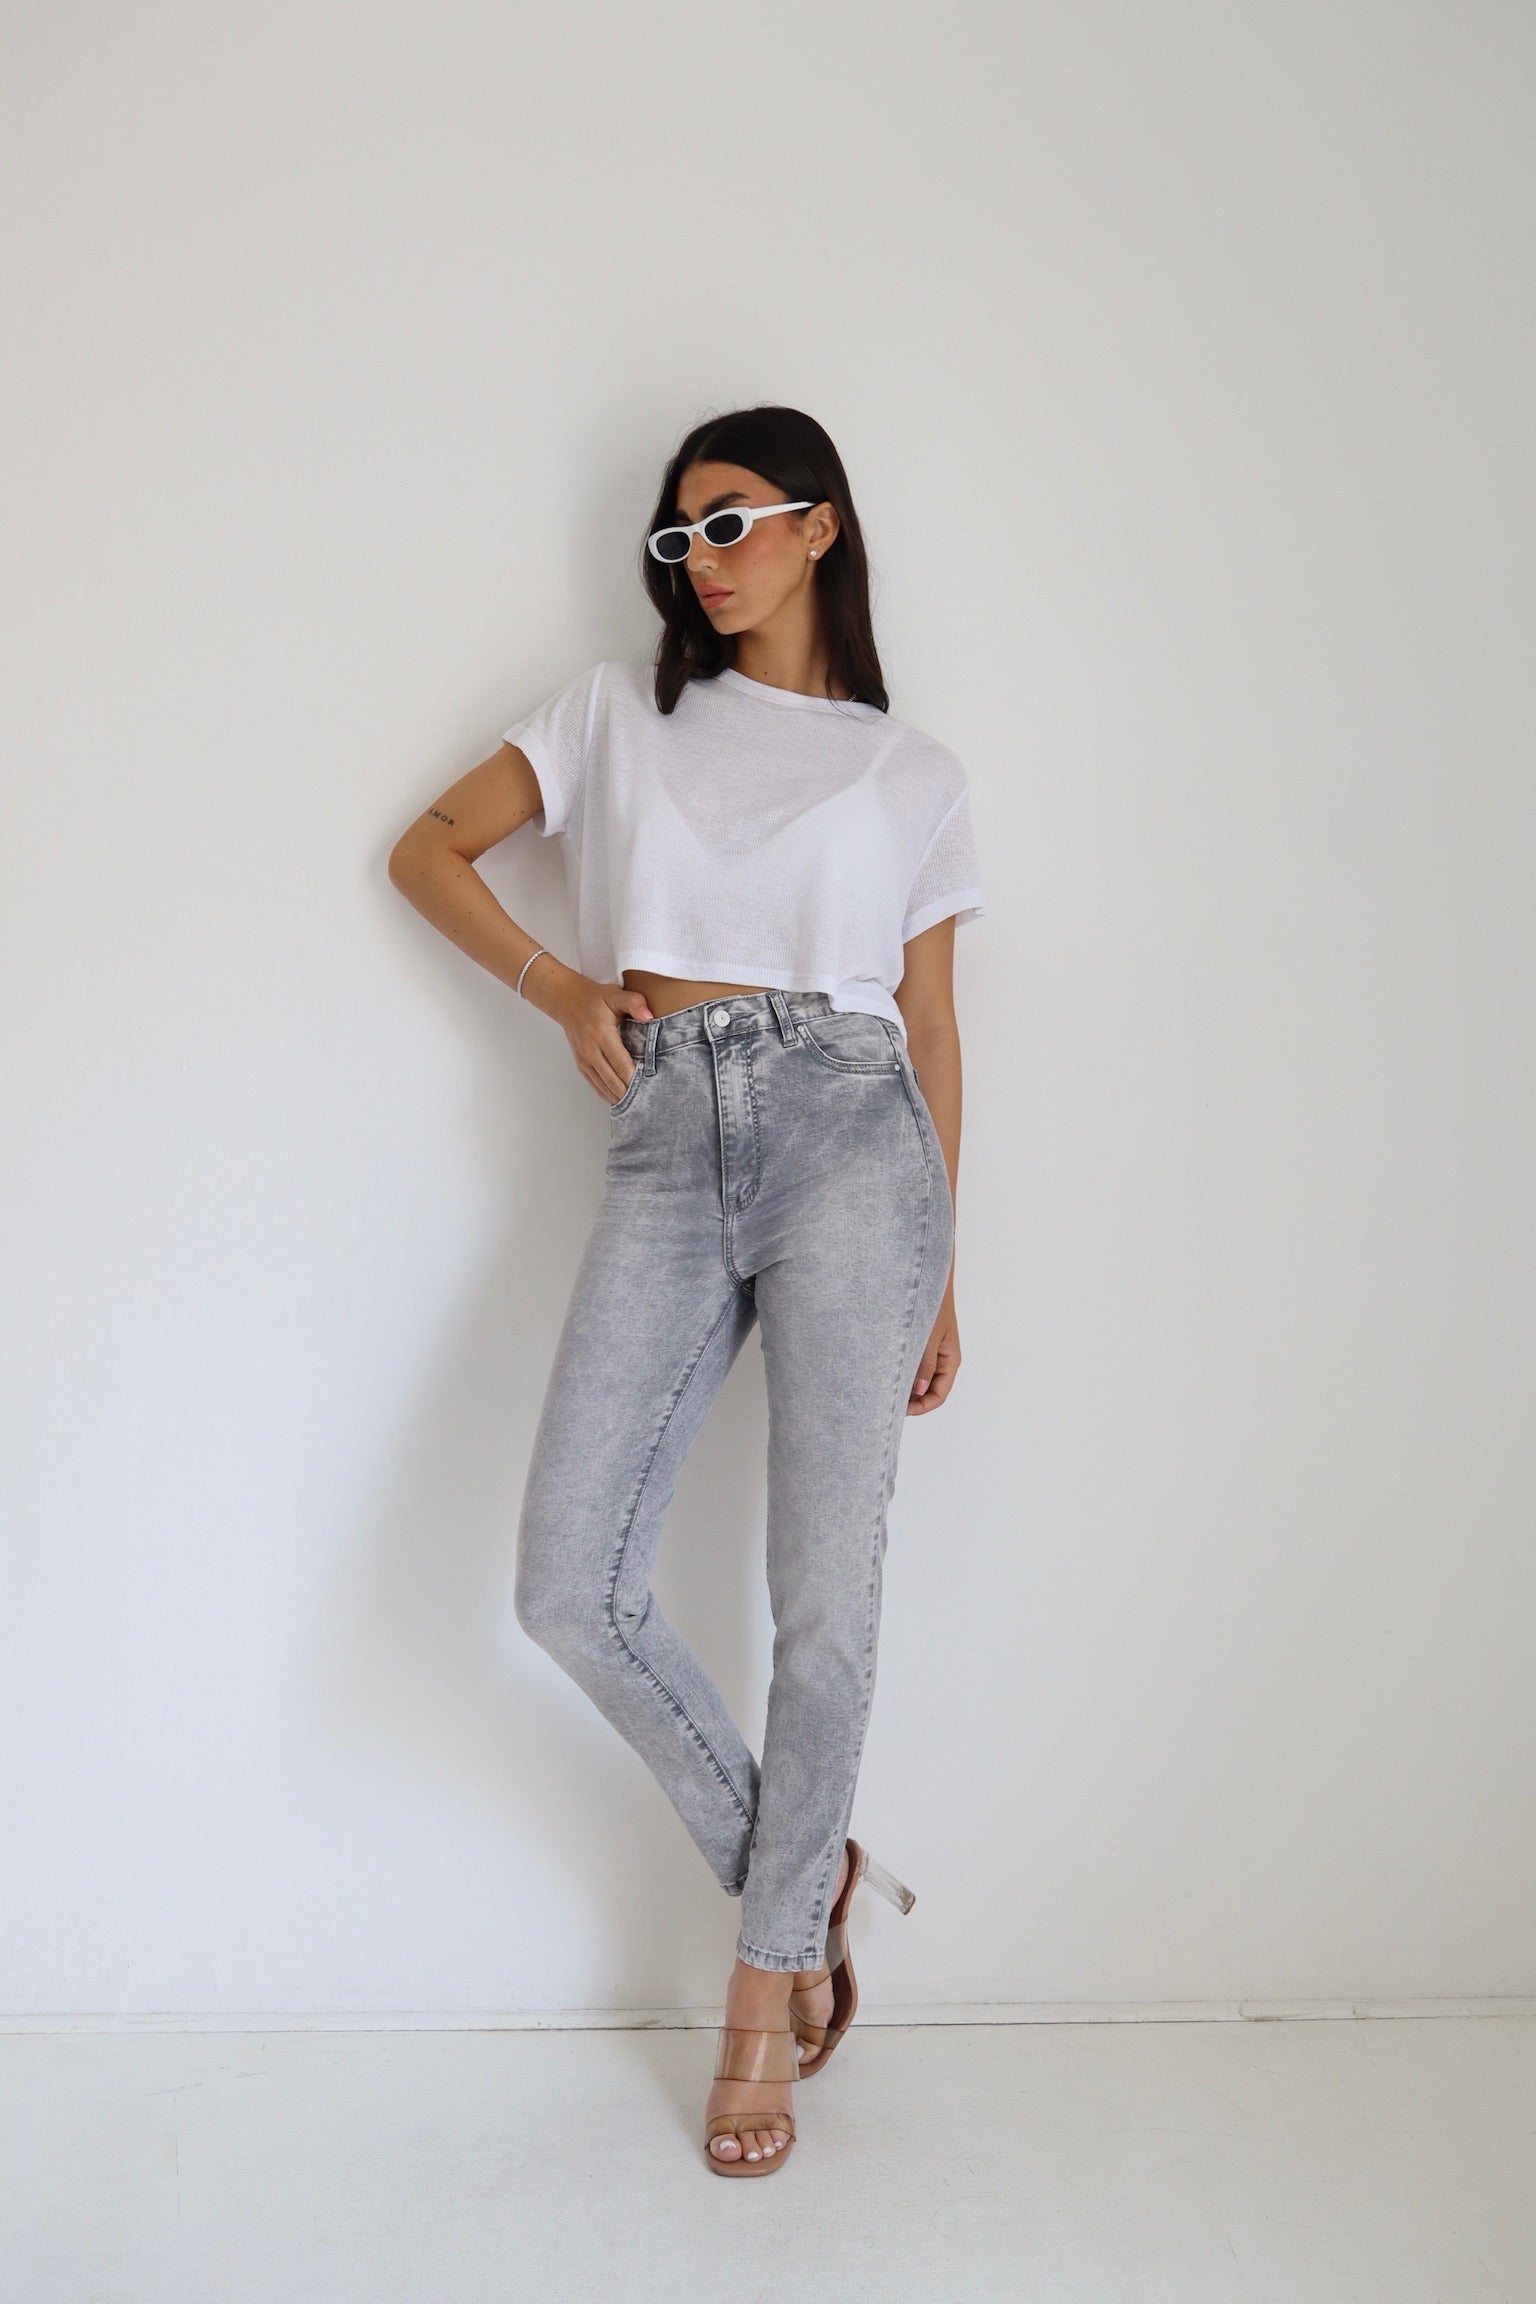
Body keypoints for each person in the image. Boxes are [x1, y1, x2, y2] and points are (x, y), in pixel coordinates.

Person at [388, 403, 984, 2175]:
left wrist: (943, 1264)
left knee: (826, 1602)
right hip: (664, 1132)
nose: (700, 560)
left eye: (728, 523)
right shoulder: (613, 714)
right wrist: (562, 989)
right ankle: (805, 1885)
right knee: (568, 1583)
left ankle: (756, 1999)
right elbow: (426, 850)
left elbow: (934, 1030)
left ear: (817, 526)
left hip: (859, 1147)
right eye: (678, 537)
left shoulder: (913, 773)